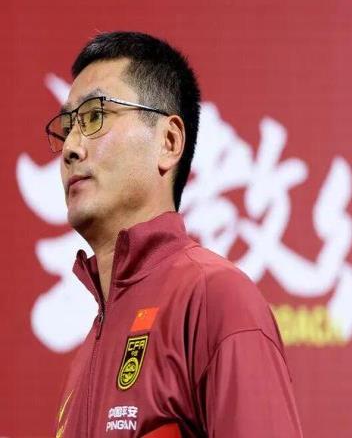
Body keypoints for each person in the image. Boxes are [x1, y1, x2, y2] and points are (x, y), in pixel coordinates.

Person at [46, 31, 303, 438]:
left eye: (94, 117)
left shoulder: (216, 299)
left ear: (168, 142)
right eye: (66, 127)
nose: (70, 148)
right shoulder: (88, 350)